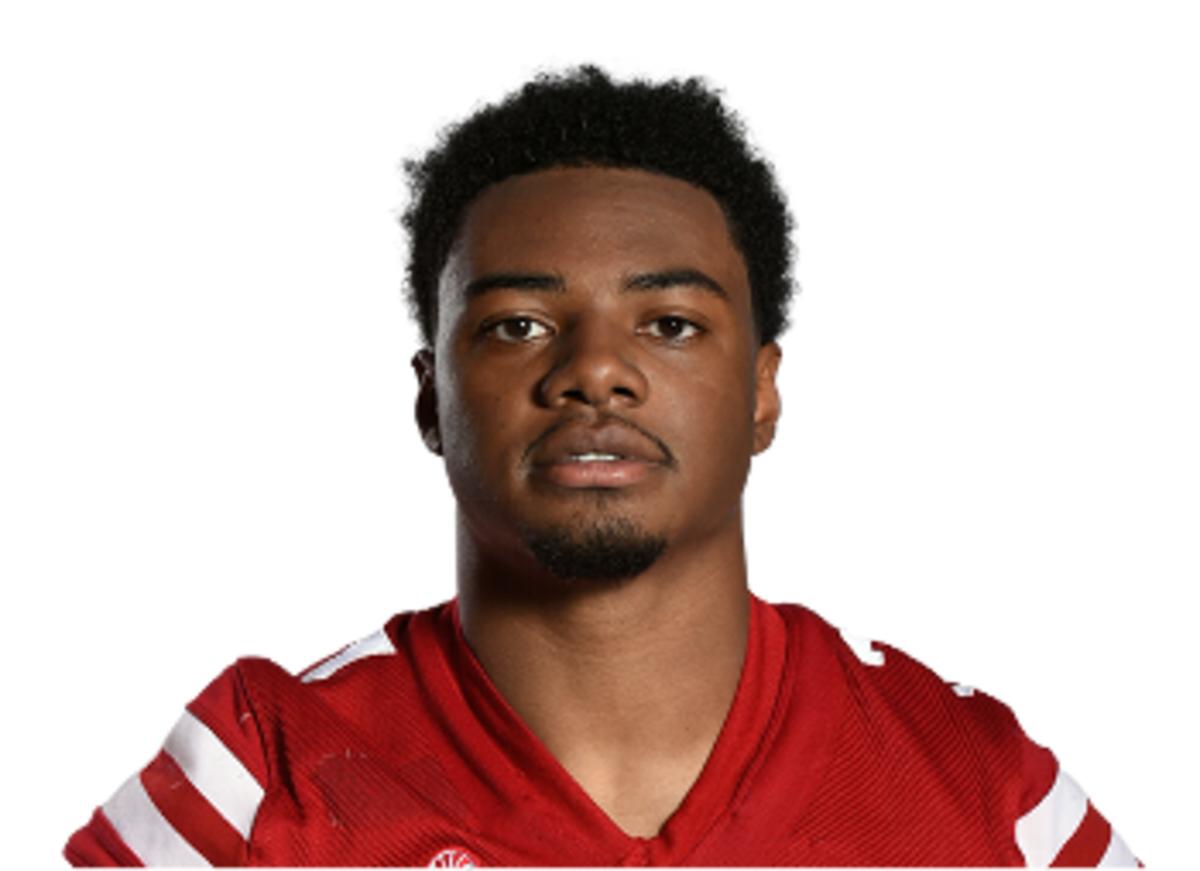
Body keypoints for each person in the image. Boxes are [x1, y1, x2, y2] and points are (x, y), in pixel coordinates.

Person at [65, 66, 1136, 867]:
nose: (594, 371)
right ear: (432, 396)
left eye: (669, 323)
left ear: (761, 392)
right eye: (519, 324)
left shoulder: (972, 778)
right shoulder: (261, 778)